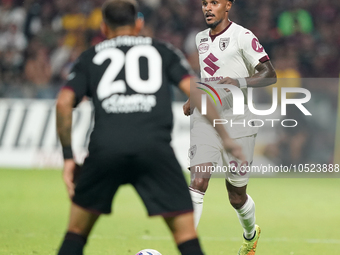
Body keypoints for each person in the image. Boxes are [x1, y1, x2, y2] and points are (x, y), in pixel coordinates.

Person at [55, 0, 245, 254]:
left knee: (76, 233)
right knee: (186, 235)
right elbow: (198, 92)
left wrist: (68, 157)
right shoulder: (162, 50)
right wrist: (227, 137)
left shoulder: (91, 56)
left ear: (103, 26)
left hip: (105, 149)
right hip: (154, 150)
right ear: (139, 23)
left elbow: (64, 103)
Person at [184, 0, 277, 254]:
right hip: (206, 119)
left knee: (236, 196)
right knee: (198, 182)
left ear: (228, 6)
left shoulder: (243, 36)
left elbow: (270, 74)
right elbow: (209, 77)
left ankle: (250, 235)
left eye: (214, 2)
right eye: (204, 3)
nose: (207, 8)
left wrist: (239, 82)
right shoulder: (200, 38)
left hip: (238, 122)